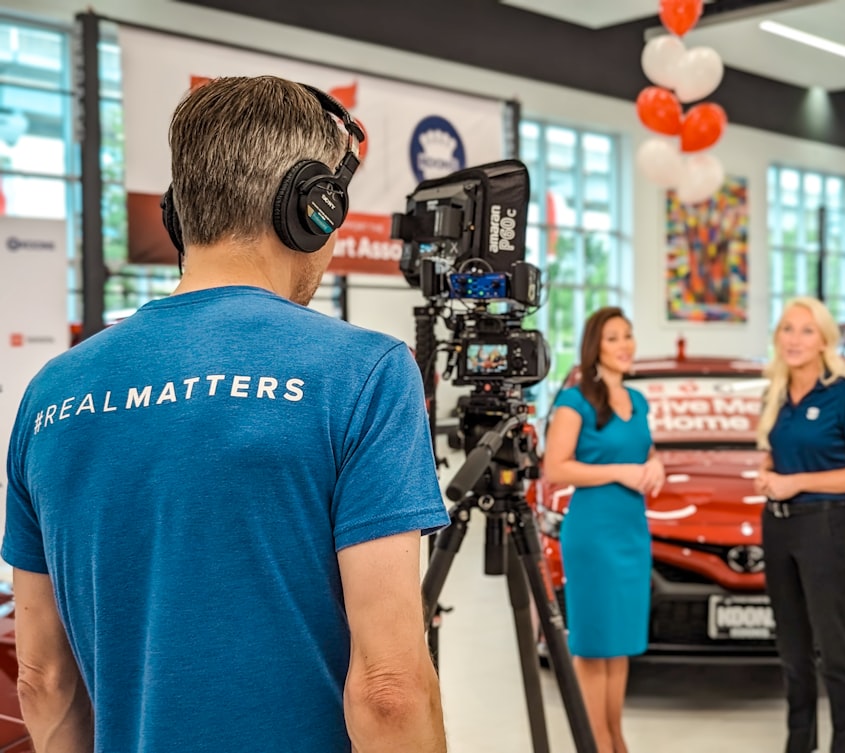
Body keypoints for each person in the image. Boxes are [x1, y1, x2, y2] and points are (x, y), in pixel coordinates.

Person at [3, 76, 449, 753]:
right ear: (314, 207)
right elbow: (389, 689)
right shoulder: (366, 374)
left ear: (180, 214)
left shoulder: (52, 393)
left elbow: (42, 677)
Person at [754, 296, 845, 753]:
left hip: (825, 528)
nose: (794, 339)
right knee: (792, 653)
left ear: (825, 339)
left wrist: (797, 482)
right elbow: (776, 452)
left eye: (806, 330)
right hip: (779, 527)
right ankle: (799, 745)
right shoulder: (775, 390)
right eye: (787, 329)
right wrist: (769, 475)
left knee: (835, 653)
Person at [544, 306, 665, 753]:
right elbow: (555, 467)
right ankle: (594, 742)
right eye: (614, 337)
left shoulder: (638, 401)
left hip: (632, 532)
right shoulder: (575, 401)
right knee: (595, 645)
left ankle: (615, 737)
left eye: (629, 335)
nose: (625, 345)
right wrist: (620, 471)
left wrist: (655, 464)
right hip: (594, 536)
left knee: (619, 645)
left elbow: (646, 450)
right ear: (595, 345)